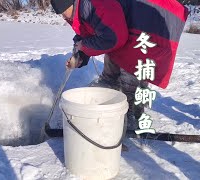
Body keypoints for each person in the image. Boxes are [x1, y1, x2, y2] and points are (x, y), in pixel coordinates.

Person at [51, 0, 188, 130]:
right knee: (110, 78)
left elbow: (114, 38)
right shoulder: (81, 10)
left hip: (142, 32)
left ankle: (130, 123)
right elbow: (85, 34)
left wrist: (85, 46)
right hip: (125, 34)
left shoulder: (95, 5)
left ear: (70, 3)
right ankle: (104, 112)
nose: (63, 17)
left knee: (130, 85)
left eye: (63, 12)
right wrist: (79, 56)